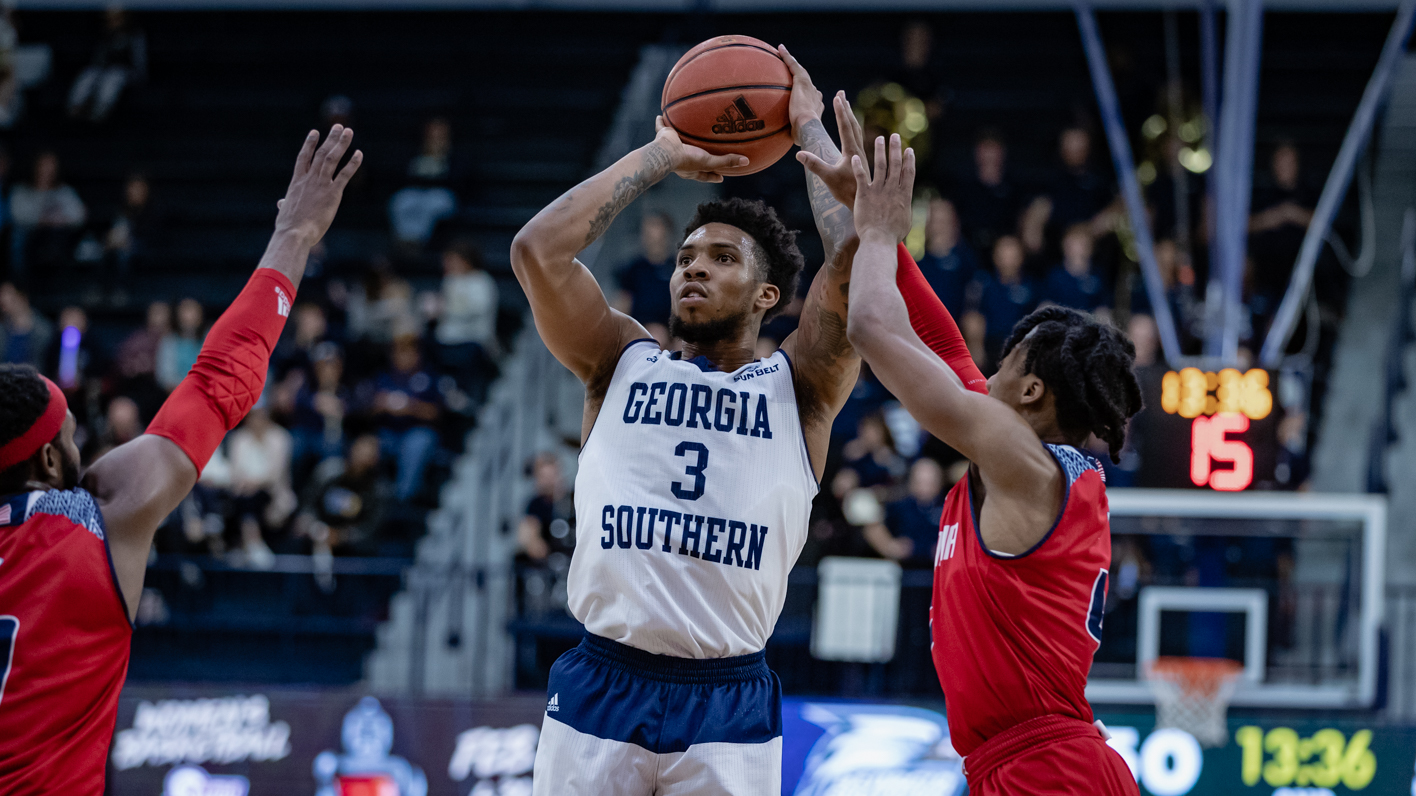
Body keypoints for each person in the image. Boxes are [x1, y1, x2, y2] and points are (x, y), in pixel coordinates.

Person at [514, 51, 869, 795]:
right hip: (603, 677)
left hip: (727, 697)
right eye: (685, 256)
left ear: (769, 293)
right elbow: (537, 252)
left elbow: (855, 275)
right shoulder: (619, 359)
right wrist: (661, 154)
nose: (693, 268)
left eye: (722, 257)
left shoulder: (798, 388)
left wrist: (808, 129)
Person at [0, 125, 361, 792]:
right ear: (50, 460)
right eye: (75, 436)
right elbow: (219, 380)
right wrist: (294, 237)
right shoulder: (100, 520)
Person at [836, 128, 1140, 795]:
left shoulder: (1021, 463)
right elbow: (942, 338)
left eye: (1004, 361)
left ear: (1031, 391)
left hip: (1049, 770)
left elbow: (870, 329)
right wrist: (865, 218)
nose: (985, 368)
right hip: (1025, 765)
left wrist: (884, 235)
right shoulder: (1022, 460)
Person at [366, 334, 442, 505]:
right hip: (387, 433)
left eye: (408, 352)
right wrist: (380, 405)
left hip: (415, 431)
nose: (403, 357)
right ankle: (371, 495)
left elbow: (436, 413)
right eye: (399, 352)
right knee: (367, 444)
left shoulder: (427, 378)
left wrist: (411, 407)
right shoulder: (384, 378)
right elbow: (367, 411)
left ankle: (402, 499)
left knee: (418, 443)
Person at [433, 240, 498, 397]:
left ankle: (467, 397)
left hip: (473, 340)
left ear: (466, 260)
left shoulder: (482, 282)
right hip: (446, 340)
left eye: (452, 261)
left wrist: (445, 309)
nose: (447, 265)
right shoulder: (450, 281)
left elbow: (476, 309)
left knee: (468, 356)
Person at [9, 151, 87, 282]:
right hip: (30, 236)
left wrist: (61, 220)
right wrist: (41, 220)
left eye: (51, 165)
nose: (47, 170)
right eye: (43, 165)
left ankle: (59, 282)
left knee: (60, 235)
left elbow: (80, 215)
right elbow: (18, 216)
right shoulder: (22, 190)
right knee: (18, 236)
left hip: (57, 237)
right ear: (35, 166)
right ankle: (20, 282)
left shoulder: (64, 191)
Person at [67, 6, 146, 122]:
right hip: (104, 71)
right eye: (109, 19)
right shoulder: (105, 37)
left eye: (116, 19)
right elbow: (97, 60)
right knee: (89, 74)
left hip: (127, 73)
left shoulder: (134, 36)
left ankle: (100, 112)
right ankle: (75, 109)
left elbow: (139, 62)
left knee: (114, 76)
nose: (112, 22)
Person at [389, 117, 458, 246]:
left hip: (441, 194)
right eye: (432, 133)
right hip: (417, 192)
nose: (435, 137)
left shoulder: (455, 156)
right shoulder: (416, 153)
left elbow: (458, 182)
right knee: (402, 201)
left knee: (432, 205)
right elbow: (405, 177)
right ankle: (403, 241)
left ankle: (419, 243)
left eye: (440, 133)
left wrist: (441, 158)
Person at [613, 212, 677, 344]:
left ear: (666, 230)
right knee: (655, 336)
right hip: (642, 328)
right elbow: (623, 302)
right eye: (645, 228)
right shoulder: (634, 268)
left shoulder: (677, 267)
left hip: (671, 329)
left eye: (654, 226)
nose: (647, 232)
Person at [954, 129, 1019, 255]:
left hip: (1004, 251)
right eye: (985, 149)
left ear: (1002, 153)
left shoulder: (1013, 189)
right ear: (977, 153)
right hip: (968, 249)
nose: (989, 155)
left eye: (993, 149)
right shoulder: (963, 188)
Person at [916, 196, 975, 316]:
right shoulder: (919, 266)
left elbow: (974, 295)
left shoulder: (966, 260)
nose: (939, 226)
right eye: (935, 220)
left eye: (943, 220)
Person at [1043, 224, 1109, 314]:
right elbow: (1046, 304)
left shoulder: (1097, 275)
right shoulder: (1055, 275)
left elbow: (1102, 308)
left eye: (1082, 244)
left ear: (1091, 247)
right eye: (1072, 244)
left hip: (1090, 323)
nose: (1077, 249)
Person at [0, 282, 52, 369]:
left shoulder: (44, 330)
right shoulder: (2, 330)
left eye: (12, 300)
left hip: (35, 380)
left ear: (22, 297)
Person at [157, 298, 204, 392]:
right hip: (178, 392)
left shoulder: (209, 336)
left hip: (205, 391)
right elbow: (166, 377)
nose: (190, 316)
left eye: (194, 311)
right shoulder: (169, 340)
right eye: (186, 311)